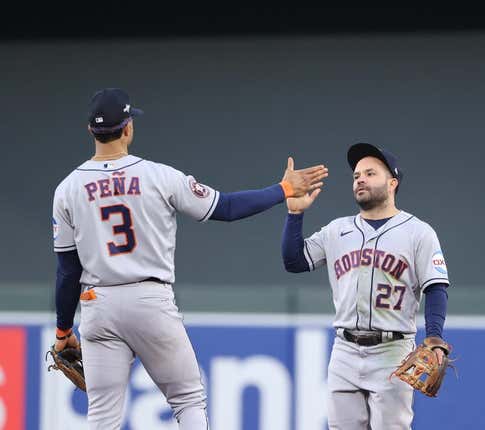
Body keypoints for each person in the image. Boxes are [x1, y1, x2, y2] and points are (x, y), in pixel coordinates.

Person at [51, 87, 328, 429]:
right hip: (148, 298)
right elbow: (225, 208)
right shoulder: (158, 176)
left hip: (98, 303)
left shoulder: (67, 189)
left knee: (102, 414)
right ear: (128, 128)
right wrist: (283, 189)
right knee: (187, 399)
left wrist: (64, 329)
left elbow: (67, 271)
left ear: (90, 131)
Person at [281, 142, 450, 429]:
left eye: (370, 173)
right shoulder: (337, 230)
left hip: (392, 350)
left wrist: (434, 338)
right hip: (344, 349)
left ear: (392, 182)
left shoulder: (418, 232)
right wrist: (295, 215)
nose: (360, 179)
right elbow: (295, 261)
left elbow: (436, 287)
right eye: (356, 175)